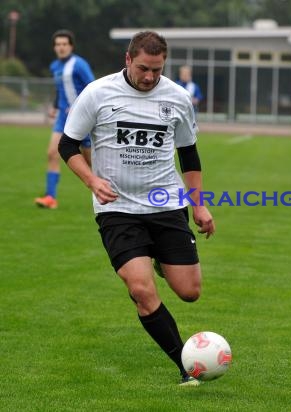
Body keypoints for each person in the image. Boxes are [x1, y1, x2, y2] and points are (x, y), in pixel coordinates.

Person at [58, 31, 215, 386]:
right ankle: (186, 367)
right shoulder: (98, 93)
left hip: (166, 204)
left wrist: (199, 206)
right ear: (127, 59)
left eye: (156, 71)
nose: (149, 77)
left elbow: (188, 152)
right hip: (117, 209)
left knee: (190, 292)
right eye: (143, 68)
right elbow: (69, 144)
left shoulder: (177, 97)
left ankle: (158, 256)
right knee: (141, 291)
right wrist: (91, 181)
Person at [35, 29, 95, 209]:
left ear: (71, 46)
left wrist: (80, 107)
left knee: (92, 164)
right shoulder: (55, 66)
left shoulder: (79, 64)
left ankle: (109, 194)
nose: (61, 47)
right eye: (58, 44)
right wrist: (55, 106)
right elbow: (60, 89)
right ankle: (50, 198)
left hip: (83, 118)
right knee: (52, 153)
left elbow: (93, 88)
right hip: (63, 118)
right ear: (54, 47)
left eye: (64, 44)